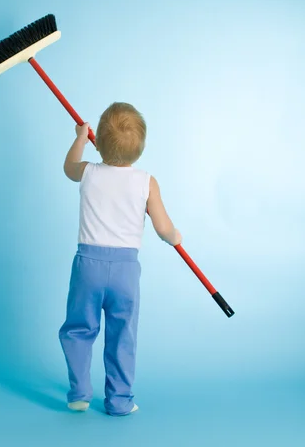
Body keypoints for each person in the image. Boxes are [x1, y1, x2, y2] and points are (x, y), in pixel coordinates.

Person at [59, 102, 182, 416]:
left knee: (78, 329)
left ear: (96, 141)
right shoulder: (146, 181)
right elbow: (163, 227)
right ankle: (119, 400)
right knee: (122, 334)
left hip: (87, 265)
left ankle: (79, 393)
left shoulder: (87, 171)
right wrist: (175, 238)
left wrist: (77, 137)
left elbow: (68, 168)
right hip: (126, 271)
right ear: (139, 149)